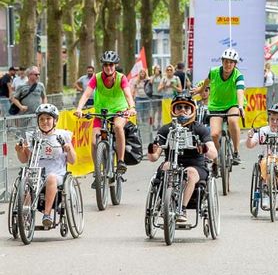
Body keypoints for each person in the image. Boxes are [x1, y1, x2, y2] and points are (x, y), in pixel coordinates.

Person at [147, 93, 217, 223]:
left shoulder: (200, 129)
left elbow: (214, 153)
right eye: (179, 107)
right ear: (173, 110)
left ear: (192, 110)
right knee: (167, 166)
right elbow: (154, 157)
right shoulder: (165, 129)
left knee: (189, 172)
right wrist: (152, 150)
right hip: (172, 163)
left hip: (196, 166)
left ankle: (182, 209)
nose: (182, 110)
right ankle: (164, 203)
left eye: (186, 107)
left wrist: (204, 149)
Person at [74, 51, 136, 178]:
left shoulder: (121, 78)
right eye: (106, 65)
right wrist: (79, 109)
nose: (109, 67)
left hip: (119, 110)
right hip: (101, 112)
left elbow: (128, 95)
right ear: (103, 66)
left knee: (118, 127)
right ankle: (97, 171)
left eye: (111, 65)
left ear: (115, 65)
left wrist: (132, 107)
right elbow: (86, 94)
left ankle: (120, 161)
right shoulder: (96, 78)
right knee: (94, 142)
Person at [15, 104, 76, 228]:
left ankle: (46, 215)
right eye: (41, 119)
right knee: (28, 180)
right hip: (36, 174)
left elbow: (73, 160)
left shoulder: (63, 135)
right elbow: (24, 160)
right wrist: (19, 151)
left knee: (51, 178)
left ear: (55, 120)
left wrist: (69, 149)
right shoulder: (32, 136)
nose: (45, 122)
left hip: (57, 174)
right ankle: (24, 215)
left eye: (48, 119)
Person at [193, 48, 245, 165]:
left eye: (231, 62)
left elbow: (240, 91)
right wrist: (199, 90)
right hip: (216, 105)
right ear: (222, 62)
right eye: (226, 61)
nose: (228, 65)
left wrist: (240, 107)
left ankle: (236, 152)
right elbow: (206, 82)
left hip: (233, 103)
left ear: (235, 64)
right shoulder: (214, 72)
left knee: (233, 121)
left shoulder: (238, 76)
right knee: (214, 134)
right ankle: (216, 159)